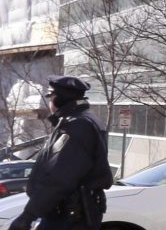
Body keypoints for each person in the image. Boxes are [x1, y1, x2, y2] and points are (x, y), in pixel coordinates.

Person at [8, 76, 112, 230]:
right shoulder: (76, 121)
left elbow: (60, 177)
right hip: (66, 213)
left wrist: (28, 216)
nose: (49, 102)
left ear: (60, 99)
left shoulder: (78, 126)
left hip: (69, 216)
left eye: (51, 97)